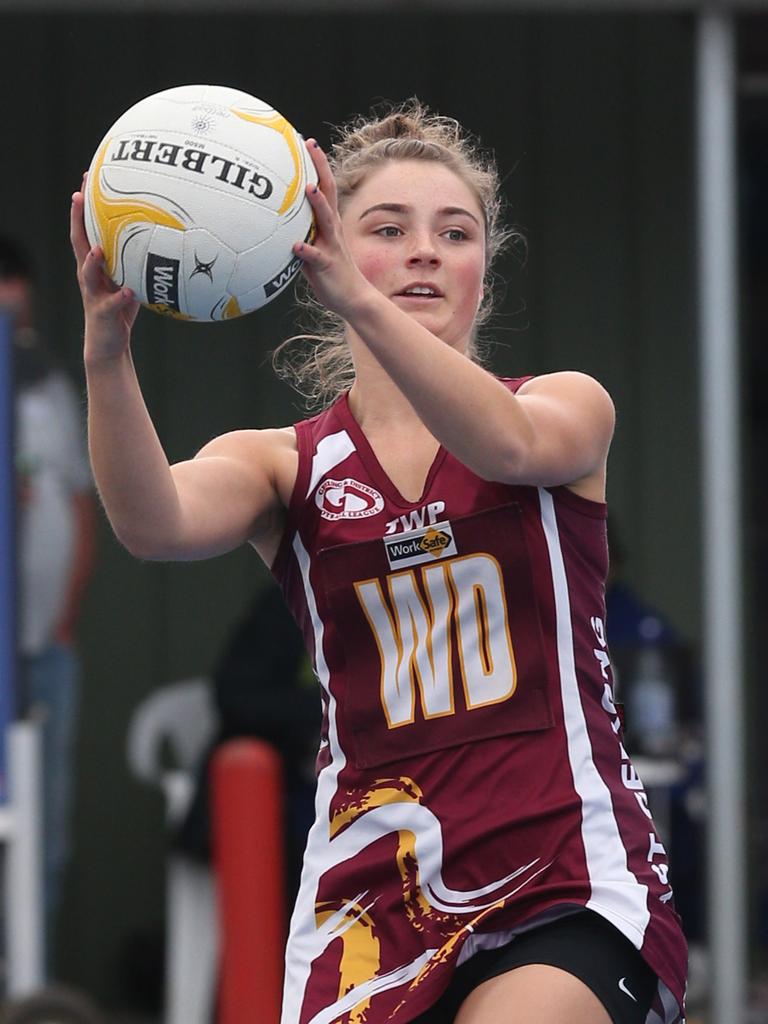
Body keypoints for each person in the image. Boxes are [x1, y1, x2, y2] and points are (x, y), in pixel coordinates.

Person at [70, 100, 687, 1024]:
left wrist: (356, 298)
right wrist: (108, 352)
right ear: (318, 249)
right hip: (371, 896)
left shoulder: (566, 406)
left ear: (485, 269)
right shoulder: (284, 461)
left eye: (456, 232)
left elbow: (511, 451)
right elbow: (151, 524)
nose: (425, 252)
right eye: (388, 230)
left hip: (563, 870)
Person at [0, 237, 97, 974]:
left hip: (41, 651)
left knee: (46, 830)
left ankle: (24, 985)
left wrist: (60, 623)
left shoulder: (44, 388)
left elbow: (79, 504)